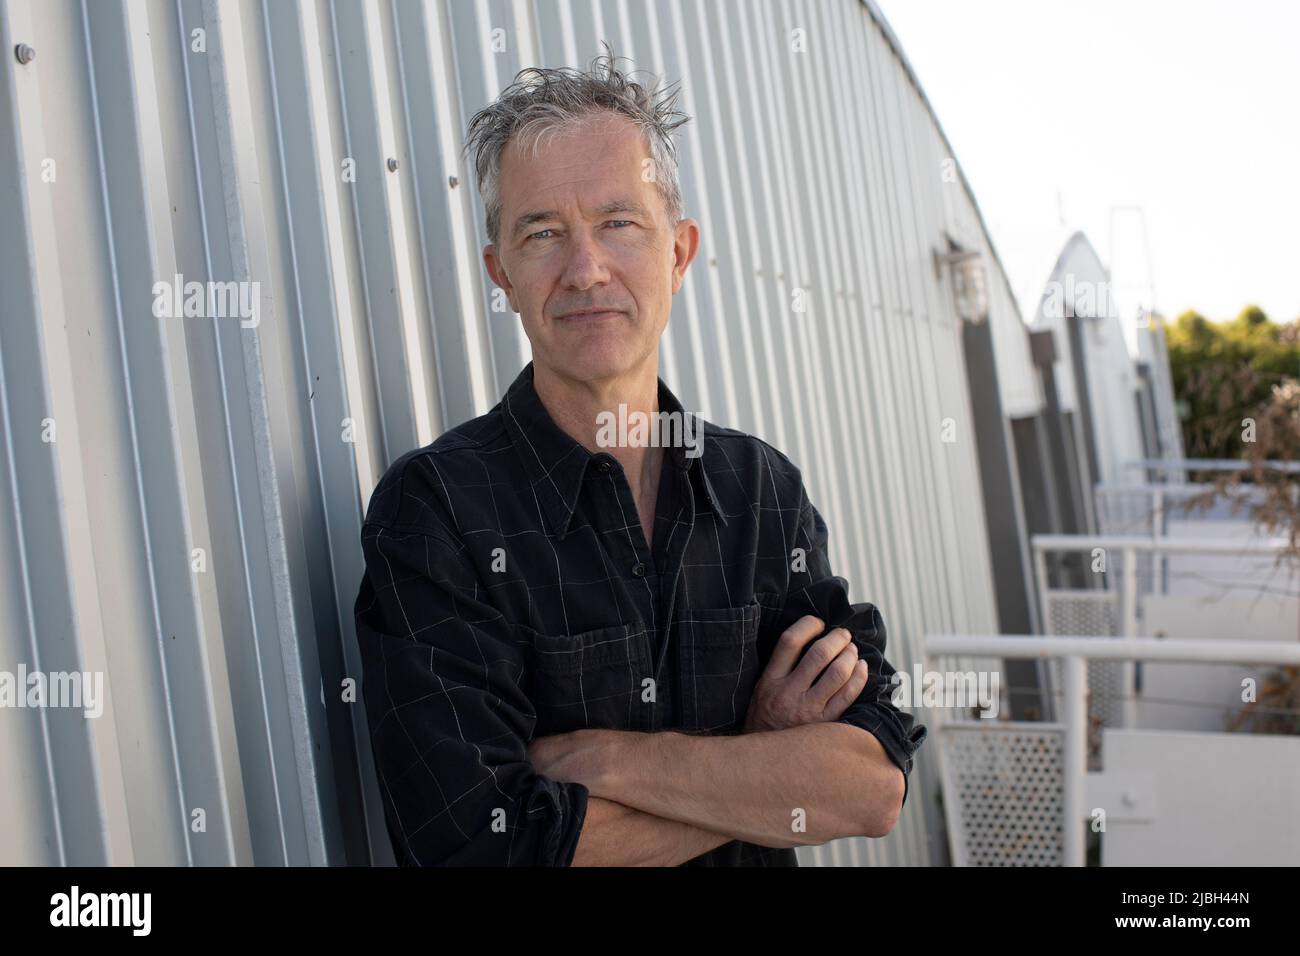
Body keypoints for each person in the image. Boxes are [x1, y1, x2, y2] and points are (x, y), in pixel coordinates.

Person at [353, 46, 926, 866]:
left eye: (619, 223)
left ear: (680, 252)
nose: (585, 270)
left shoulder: (760, 493)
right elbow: (475, 845)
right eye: (543, 232)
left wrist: (612, 763)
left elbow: (871, 785)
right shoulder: (438, 513)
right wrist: (763, 763)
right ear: (501, 274)